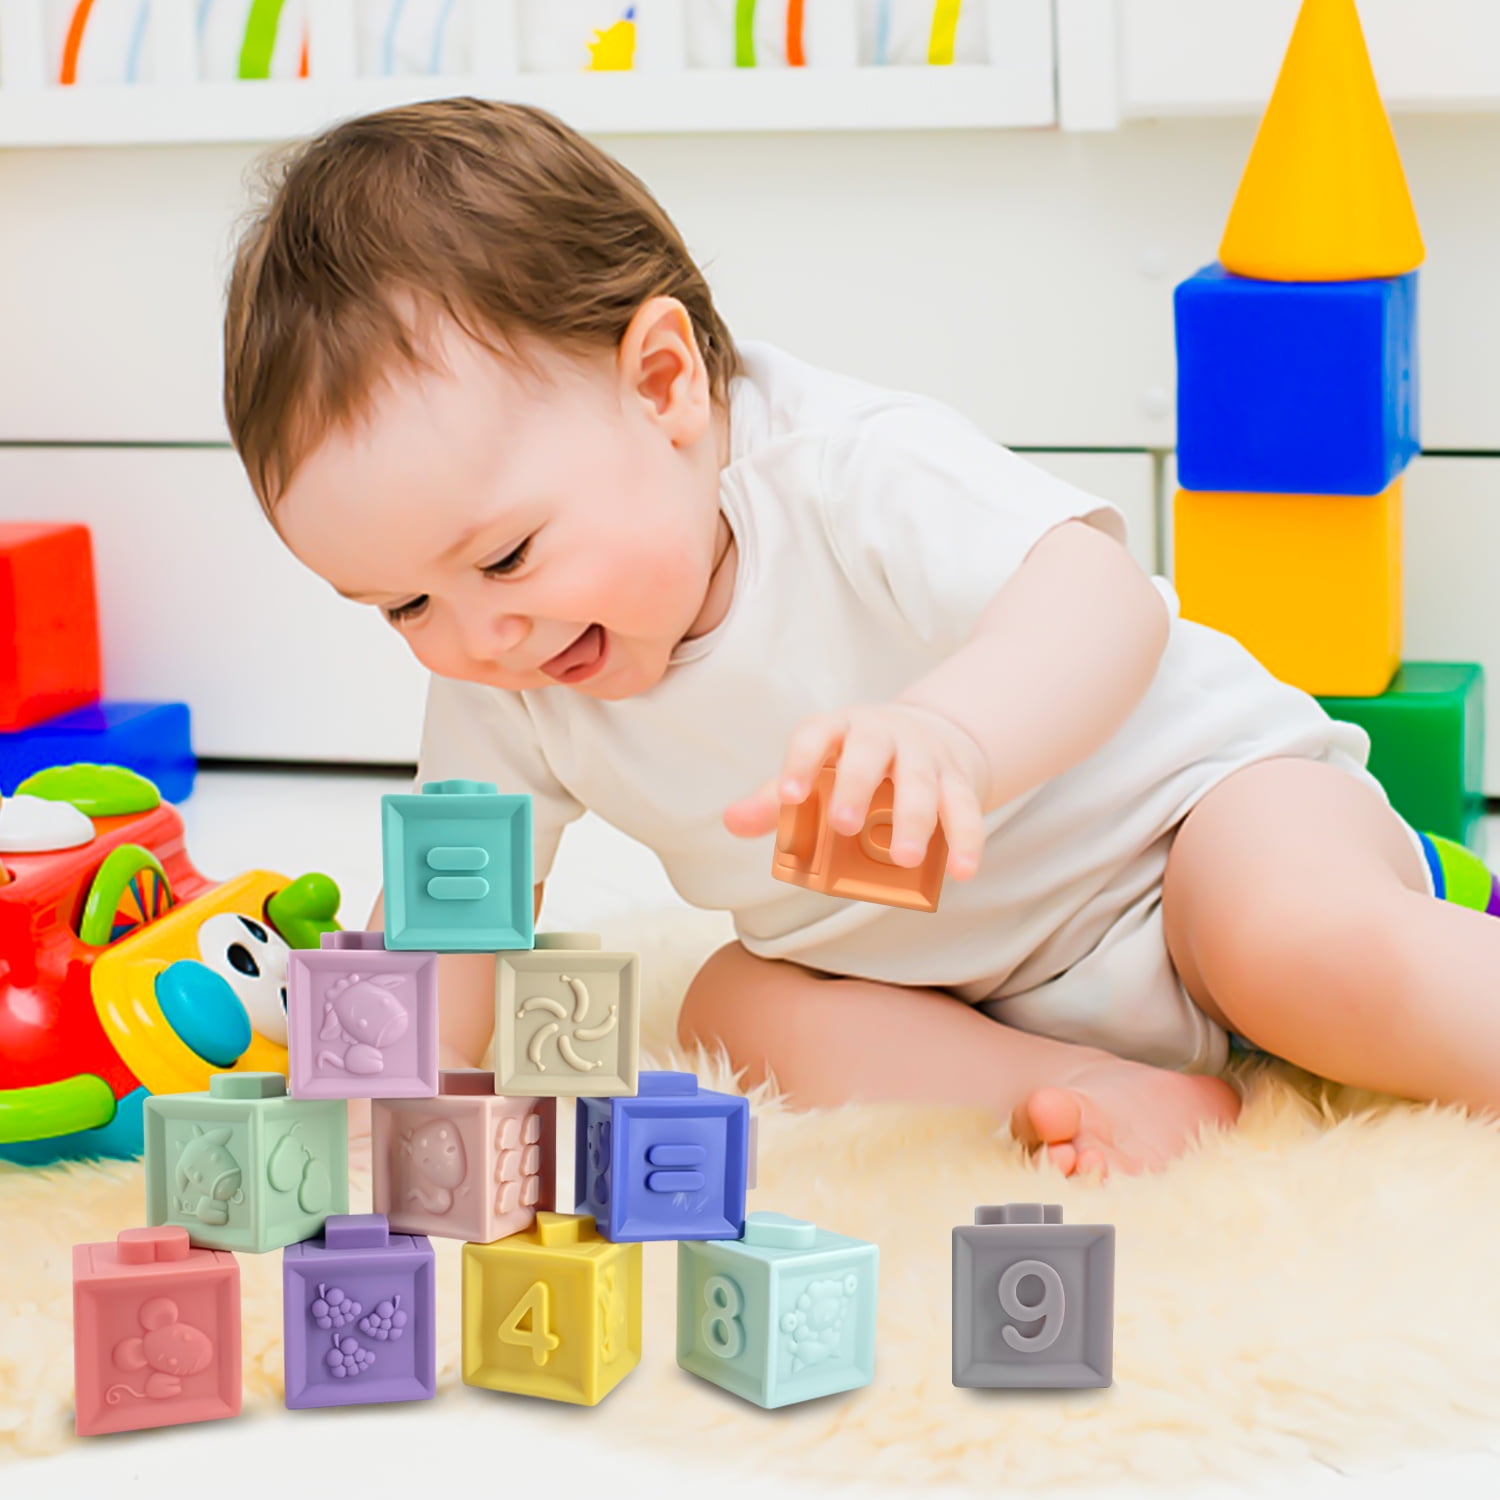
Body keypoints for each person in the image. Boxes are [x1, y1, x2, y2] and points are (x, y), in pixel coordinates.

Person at [223, 97, 1500, 1178]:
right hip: (958, 982)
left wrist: (956, 732)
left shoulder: (843, 475)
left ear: (663, 387)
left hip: (1187, 835)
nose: (477, 633)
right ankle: (1074, 1082)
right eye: (402, 607)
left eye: (503, 555)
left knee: (1294, 943)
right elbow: (457, 922)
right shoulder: (509, 673)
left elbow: (1099, 597)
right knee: (732, 1011)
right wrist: (363, 1086)